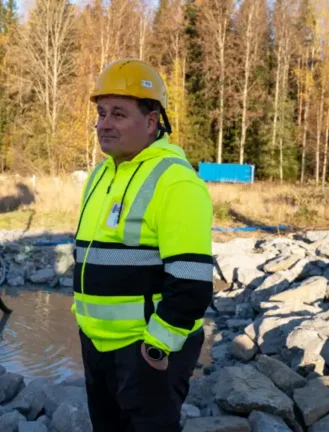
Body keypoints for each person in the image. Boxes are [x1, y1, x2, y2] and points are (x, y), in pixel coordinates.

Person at [72, 58, 214, 432]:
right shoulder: (100, 175)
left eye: (119, 114)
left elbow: (192, 284)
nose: (103, 124)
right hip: (98, 346)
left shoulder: (176, 182)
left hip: (145, 352)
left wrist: (156, 348)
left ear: (152, 121)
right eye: (101, 113)